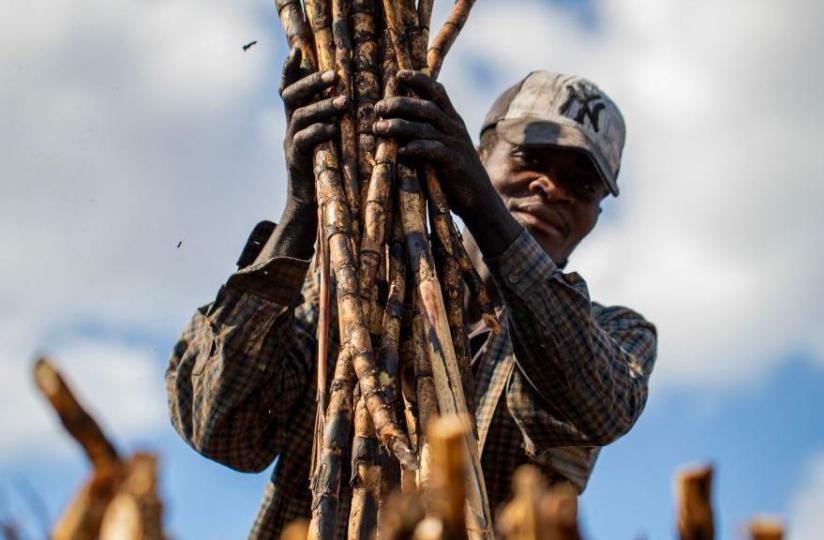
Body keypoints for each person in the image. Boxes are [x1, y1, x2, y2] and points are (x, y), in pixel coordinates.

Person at [166, 47, 657, 539]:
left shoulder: (615, 338)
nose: (553, 187)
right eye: (530, 158)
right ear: (480, 153)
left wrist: (484, 210)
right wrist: (301, 209)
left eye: (584, 183)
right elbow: (222, 429)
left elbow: (593, 405)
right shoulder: (350, 285)